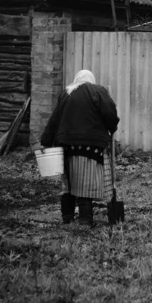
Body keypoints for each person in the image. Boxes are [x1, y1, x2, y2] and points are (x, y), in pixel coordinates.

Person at [40, 69, 119, 227]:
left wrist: (46, 141)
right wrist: (112, 127)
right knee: (86, 183)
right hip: (91, 147)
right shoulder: (98, 91)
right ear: (91, 80)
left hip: (67, 147)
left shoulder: (66, 93)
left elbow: (55, 119)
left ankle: (67, 218)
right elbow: (110, 114)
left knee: (68, 183)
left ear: (76, 79)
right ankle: (85, 220)